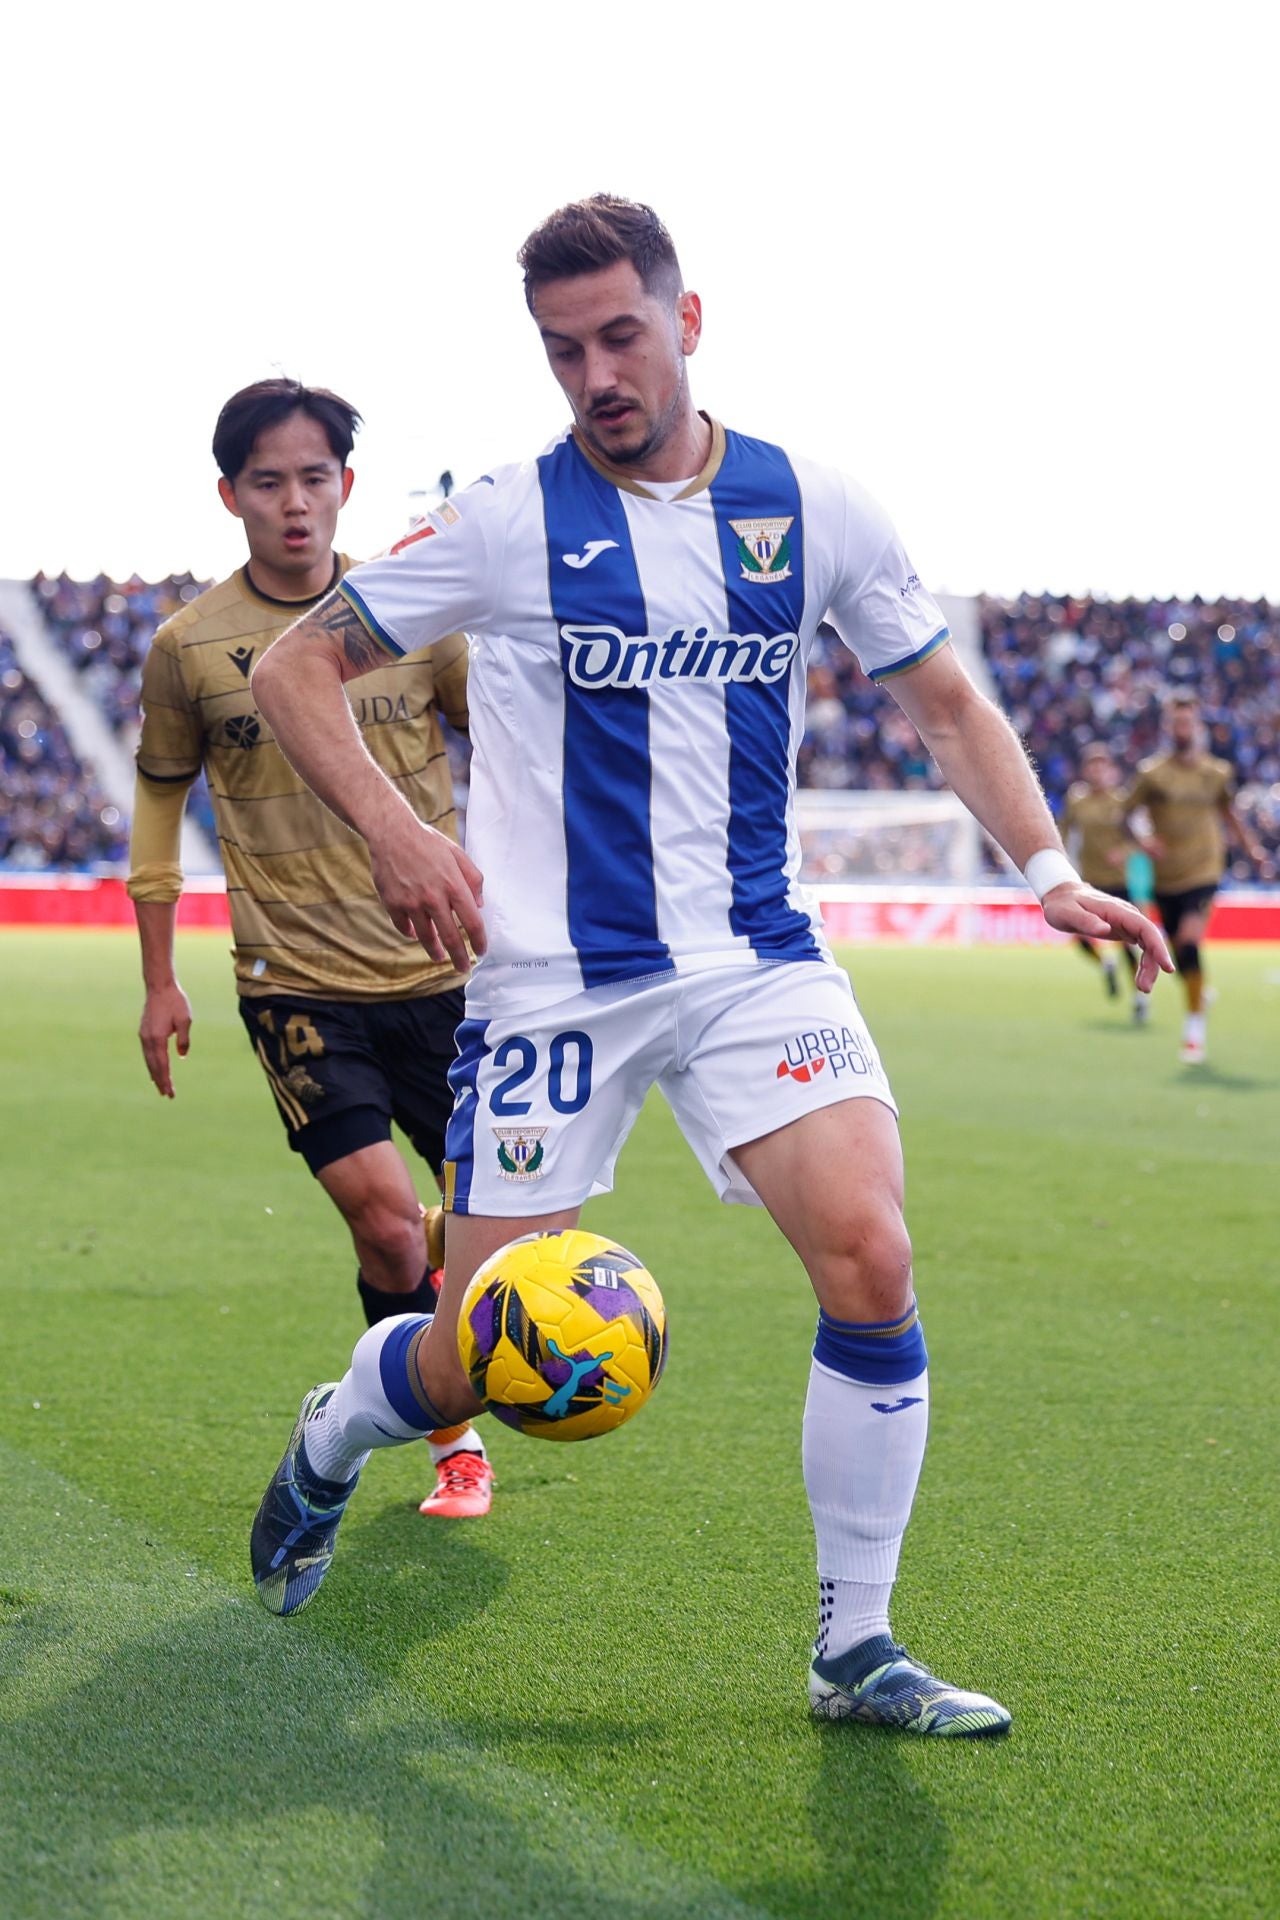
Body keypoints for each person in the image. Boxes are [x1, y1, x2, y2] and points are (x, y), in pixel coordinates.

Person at [246, 197, 1171, 1733]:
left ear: (688, 319)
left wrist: (1051, 872)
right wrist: (402, 837)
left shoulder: (814, 505)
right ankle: (340, 1430)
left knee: (872, 1256)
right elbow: (295, 668)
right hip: (554, 983)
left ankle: (855, 1647)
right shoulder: (507, 520)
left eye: (620, 336)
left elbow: (946, 704)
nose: (596, 375)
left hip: (755, 960)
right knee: (473, 1360)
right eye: (563, 351)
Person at [127, 377, 493, 1518]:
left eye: (314, 478)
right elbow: (158, 803)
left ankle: (440, 1285)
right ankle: (453, 1443)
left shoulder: (415, 620)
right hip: (293, 984)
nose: (295, 502)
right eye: (269, 482)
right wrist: (158, 979)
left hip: (444, 972)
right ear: (229, 494)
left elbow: (513, 744)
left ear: (347, 485)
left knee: (477, 1231)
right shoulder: (188, 647)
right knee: (384, 1224)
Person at [1125, 691, 1265, 1064]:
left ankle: (1194, 1029)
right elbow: (1125, 815)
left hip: (1204, 869)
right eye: (1176, 722)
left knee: (1189, 942)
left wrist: (1251, 849)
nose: (1182, 728)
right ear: (1167, 727)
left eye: (1187, 722)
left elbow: (1229, 813)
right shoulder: (1151, 774)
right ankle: (1197, 992)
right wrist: (1143, 841)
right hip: (1165, 876)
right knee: (1177, 956)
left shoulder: (1216, 773)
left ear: (1197, 726)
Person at [1061, 743, 1144, 1019]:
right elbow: (1063, 831)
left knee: (1126, 942)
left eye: (1102, 765)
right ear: (1085, 770)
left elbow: (1136, 840)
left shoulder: (1121, 801)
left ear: (1110, 770)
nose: (1097, 770)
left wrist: (1123, 852)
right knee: (1080, 937)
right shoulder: (1077, 800)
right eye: (1092, 765)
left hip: (1117, 881)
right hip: (1089, 881)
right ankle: (1105, 964)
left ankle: (1140, 997)